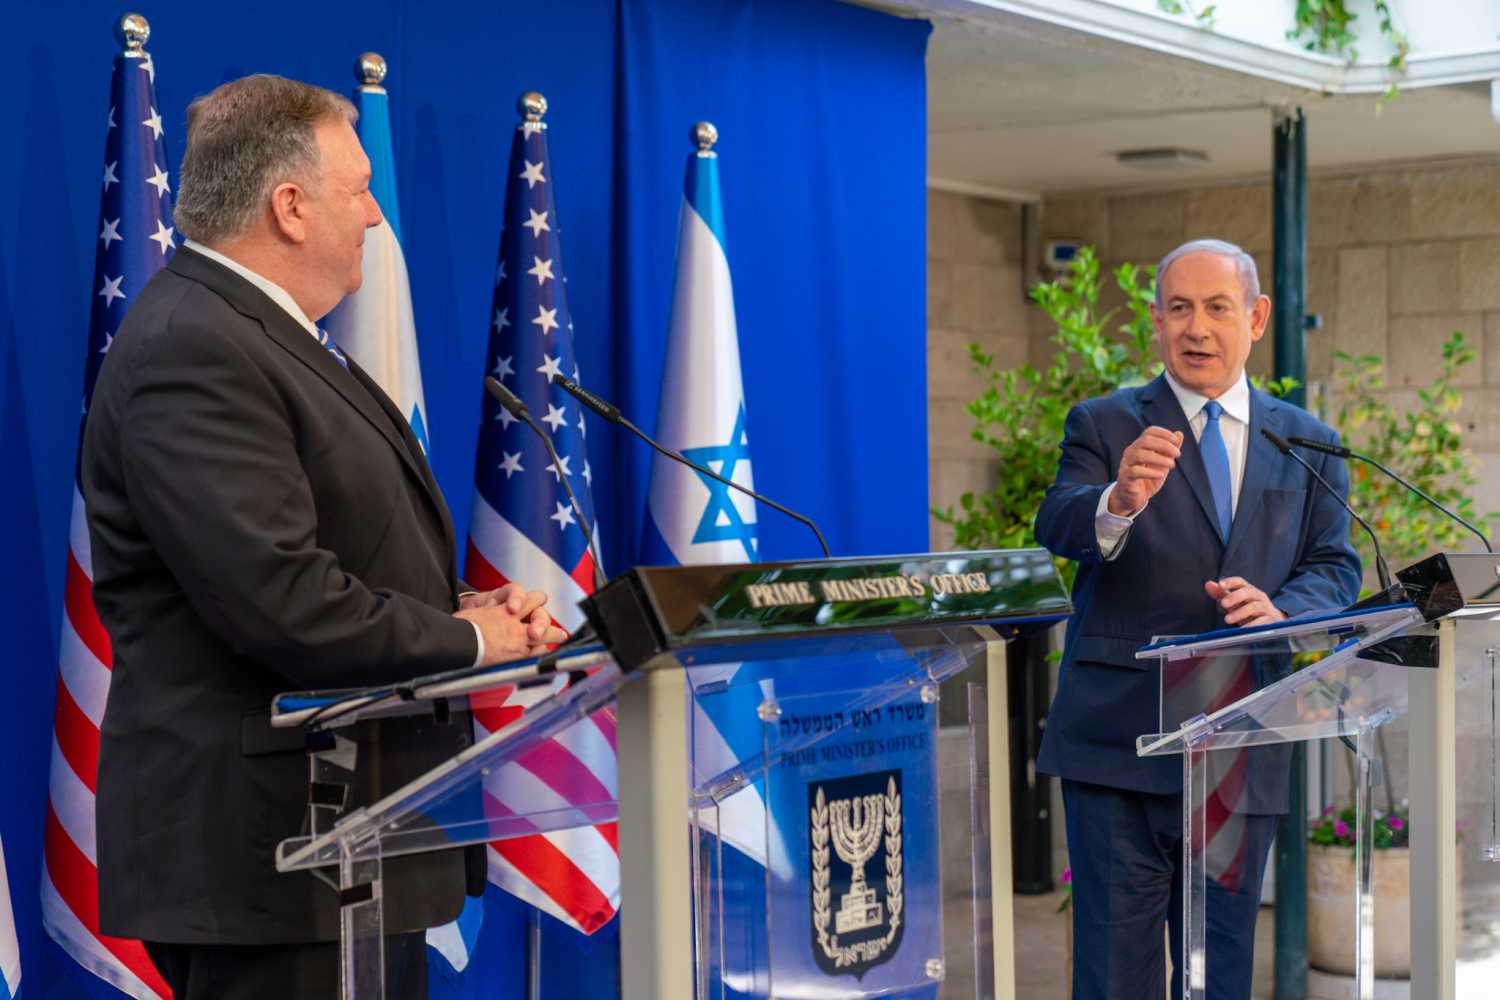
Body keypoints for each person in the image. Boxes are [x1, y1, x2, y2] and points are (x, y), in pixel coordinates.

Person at [81, 74, 564, 998]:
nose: (376, 219)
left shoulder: (267, 335)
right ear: (290, 206)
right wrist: (469, 641)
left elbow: (317, 554)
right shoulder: (196, 345)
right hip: (273, 862)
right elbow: (279, 601)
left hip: (345, 854)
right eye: (359, 191)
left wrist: (461, 608)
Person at [1034, 239, 1362, 1000]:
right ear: (1155, 321)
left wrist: (1283, 611)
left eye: (1217, 308)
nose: (1197, 328)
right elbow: (1057, 523)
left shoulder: (1306, 440)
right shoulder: (1105, 422)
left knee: (1218, 974)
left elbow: (1335, 565)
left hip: (1240, 740)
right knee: (1117, 976)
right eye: (1179, 308)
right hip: (1117, 745)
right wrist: (1116, 503)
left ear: (1256, 317)